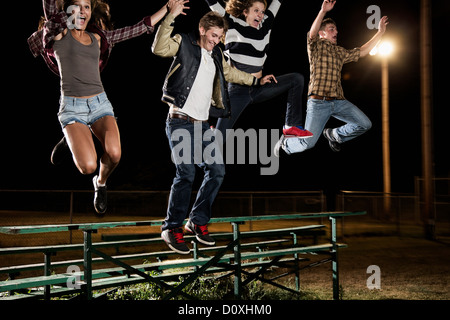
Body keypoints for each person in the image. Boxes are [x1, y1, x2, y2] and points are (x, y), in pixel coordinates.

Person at [28, 0, 174, 215]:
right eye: (76, 6)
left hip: (100, 104)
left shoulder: (99, 38)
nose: (82, 11)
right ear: (67, 11)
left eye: (87, 7)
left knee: (114, 154)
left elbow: (136, 29)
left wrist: (168, 9)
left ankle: (101, 183)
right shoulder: (57, 34)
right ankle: (71, 138)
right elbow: (49, 8)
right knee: (87, 166)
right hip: (72, 108)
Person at [152, 1, 275, 254]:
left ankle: (196, 221)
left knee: (217, 171)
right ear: (202, 30)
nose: (216, 41)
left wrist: (255, 79)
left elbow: (230, 73)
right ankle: (171, 226)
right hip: (179, 122)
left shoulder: (217, 54)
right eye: (213, 36)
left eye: (220, 37)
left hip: (202, 127)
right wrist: (170, 17)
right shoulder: (184, 43)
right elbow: (158, 47)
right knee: (185, 173)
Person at [274, 0, 388, 156]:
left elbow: (362, 51)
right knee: (308, 142)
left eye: (336, 30)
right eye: (331, 29)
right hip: (318, 103)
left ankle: (334, 135)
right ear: (323, 33)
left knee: (365, 124)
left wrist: (380, 32)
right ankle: (286, 144)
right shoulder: (315, 46)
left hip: (338, 101)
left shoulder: (340, 52)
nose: (336, 32)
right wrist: (323, 12)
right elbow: (312, 34)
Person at [204, 0, 312, 143]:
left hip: (259, 87)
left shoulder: (265, 24)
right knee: (218, 142)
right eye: (256, 11)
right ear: (245, 12)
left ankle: (291, 126)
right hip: (238, 91)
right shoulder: (232, 24)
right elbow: (213, 5)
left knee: (296, 79)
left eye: (262, 11)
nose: (260, 15)